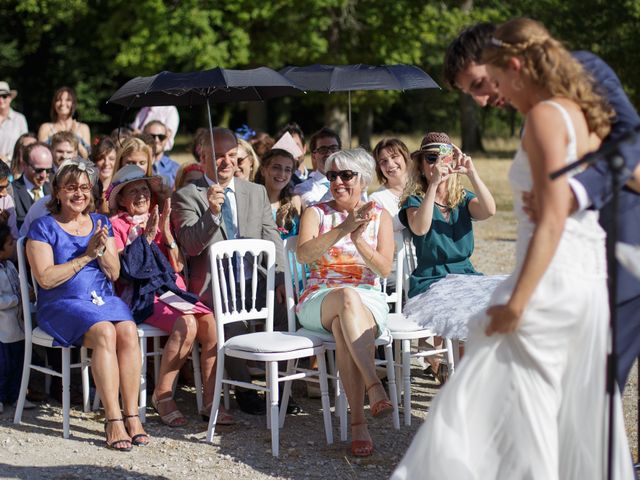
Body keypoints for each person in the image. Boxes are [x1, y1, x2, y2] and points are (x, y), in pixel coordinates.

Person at [392, 18, 633, 479]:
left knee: (486, 407)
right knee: (561, 411)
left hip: (555, 281)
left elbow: (552, 222)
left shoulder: (545, 115)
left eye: (487, 83)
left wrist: (516, 302)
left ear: (512, 65)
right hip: (583, 283)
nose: (486, 98)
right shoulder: (576, 113)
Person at [444, 22, 640, 392]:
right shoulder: (530, 117)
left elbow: (631, 142)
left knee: (596, 390)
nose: (482, 101)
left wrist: (575, 192)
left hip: (624, 244)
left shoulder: (584, 70)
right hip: (572, 263)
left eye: (480, 84)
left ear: (502, 60)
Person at [26, 158, 148, 451]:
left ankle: (133, 415)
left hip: (101, 298)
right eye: (71, 187)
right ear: (57, 192)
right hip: (61, 302)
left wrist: (103, 249)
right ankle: (113, 418)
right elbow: (44, 279)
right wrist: (85, 255)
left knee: (128, 330)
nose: (78, 193)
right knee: (106, 331)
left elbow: (115, 273)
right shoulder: (43, 227)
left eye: (83, 187)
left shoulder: (101, 222)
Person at [171, 127, 292, 416]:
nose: (226, 162)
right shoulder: (187, 195)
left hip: (255, 277)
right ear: (203, 158)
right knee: (230, 315)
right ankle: (246, 390)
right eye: (218, 156)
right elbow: (189, 245)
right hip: (214, 285)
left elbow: (272, 236)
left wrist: (279, 276)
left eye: (231, 156)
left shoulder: (255, 192)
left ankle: (282, 388)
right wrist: (211, 213)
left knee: (286, 308)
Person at [107, 165, 232, 426]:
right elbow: (123, 272)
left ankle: (210, 401)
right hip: (142, 293)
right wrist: (147, 238)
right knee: (186, 323)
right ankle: (163, 395)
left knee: (211, 325)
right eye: (133, 191)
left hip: (171, 290)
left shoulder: (159, 216)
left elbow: (176, 266)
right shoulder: (115, 226)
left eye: (144, 189)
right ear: (120, 199)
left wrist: (165, 230)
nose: (141, 196)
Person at [296, 148, 394, 457]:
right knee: (345, 299)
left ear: (363, 178)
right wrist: (344, 228)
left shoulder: (381, 215)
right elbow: (304, 256)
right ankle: (373, 384)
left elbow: (383, 269)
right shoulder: (316, 212)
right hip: (319, 298)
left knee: (344, 326)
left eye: (346, 175)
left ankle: (358, 424)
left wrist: (359, 240)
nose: (337, 181)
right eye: (332, 175)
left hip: (367, 298)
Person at [370, 138, 412, 289]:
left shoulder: (425, 189)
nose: (390, 164)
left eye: (395, 157)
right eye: (383, 161)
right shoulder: (376, 200)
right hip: (397, 269)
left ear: (405, 157)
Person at [0, 215, 29, 414]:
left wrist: (28, 292)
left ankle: (16, 396)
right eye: (10, 243)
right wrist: (19, 300)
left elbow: (20, 285)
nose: (13, 246)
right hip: (3, 332)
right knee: (2, 367)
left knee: (18, 365)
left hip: (17, 329)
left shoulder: (10, 266)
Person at [255, 148, 302, 239]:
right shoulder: (253, 201)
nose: (282, 174)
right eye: (276, 167)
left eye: (287, 169)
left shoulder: (295, 200)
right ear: (263, 170)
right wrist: (277, 225)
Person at [294, 127, 341, 208]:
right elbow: (314, 210)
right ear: (314, 156)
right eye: (323, 150)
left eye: (333, 148)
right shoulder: (302, 188)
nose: (329, 153)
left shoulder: (350, 182)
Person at [37, 87, 91, 158]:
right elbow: (41, 154)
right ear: (54, 104)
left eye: (68, 100)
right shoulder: (45, 128)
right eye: (58, 100)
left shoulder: (83, 128)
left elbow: (86, 156)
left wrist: (74, 137)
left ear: (73, 103)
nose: (62, 103)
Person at [12, 142, 52, 229]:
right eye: (39, 170)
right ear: (24, 165)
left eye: (48, 170)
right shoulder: (11, 191)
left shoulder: (54, 190)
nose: (44, 175)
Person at [143, 120, 179, 188]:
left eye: (161, 137)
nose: (156, 140)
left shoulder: (176, 169)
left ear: (167, 139)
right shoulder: (136, 166)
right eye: (152, 136)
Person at [0, 81, 28, 163]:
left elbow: (25, 145)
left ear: (10, 98)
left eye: (4, 96)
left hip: (13, 167)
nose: (1, 99)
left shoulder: (20, 119)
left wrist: (8, 157)